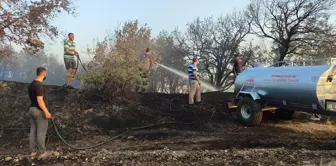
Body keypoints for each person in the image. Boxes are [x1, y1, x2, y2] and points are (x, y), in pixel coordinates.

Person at [28, 67, 52, 159]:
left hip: (31, 109)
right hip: (39, 111)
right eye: (45, 73)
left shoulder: (31, 85)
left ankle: (33, 152)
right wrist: (46, 111)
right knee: (41, 132)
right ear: (43, 73)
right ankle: (42, 153)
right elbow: (39, 100)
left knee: (33, 131)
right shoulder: (39, 85)